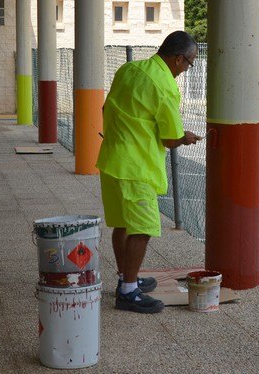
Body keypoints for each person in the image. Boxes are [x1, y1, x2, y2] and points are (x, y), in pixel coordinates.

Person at [96, 31, 202, 314]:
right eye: (189, 63)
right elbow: (169, 138)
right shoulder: (165, 85)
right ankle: (128, 292)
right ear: (179, 59)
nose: (186, 69)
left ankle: (125, 278)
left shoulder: (129, 69)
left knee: (122, 224)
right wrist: (185, 137)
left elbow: (107, 107)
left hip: (112, 159)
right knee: (142, 229)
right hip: (136, 167)